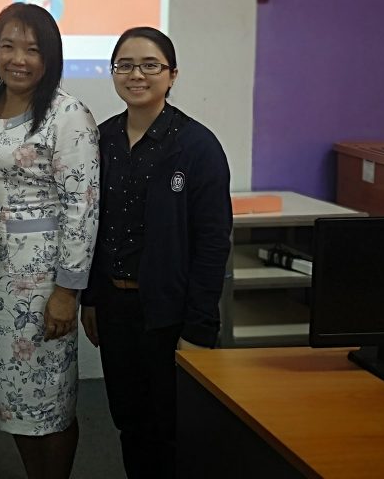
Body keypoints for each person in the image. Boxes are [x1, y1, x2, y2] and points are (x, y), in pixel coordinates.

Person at [80, 26, 232, 479]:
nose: (136, 75)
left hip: (171, 313)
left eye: (150, 65)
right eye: (125, 65)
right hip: (115, 307)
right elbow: (91, 226)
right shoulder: (101, 140)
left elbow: (212, 242)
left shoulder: (197, 146)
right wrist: (90, 299)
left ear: (172, 75)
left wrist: (199, 325)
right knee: (129, 423)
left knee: (173, 429)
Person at [0, 3, 100, 479]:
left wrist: (67, 291)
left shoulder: (68, 114)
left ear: (50, 58)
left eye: (32, 49)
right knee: (12, 400)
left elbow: (82, 207)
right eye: (8, 46)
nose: (18, 59)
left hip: (40, 289)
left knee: (48, 402)